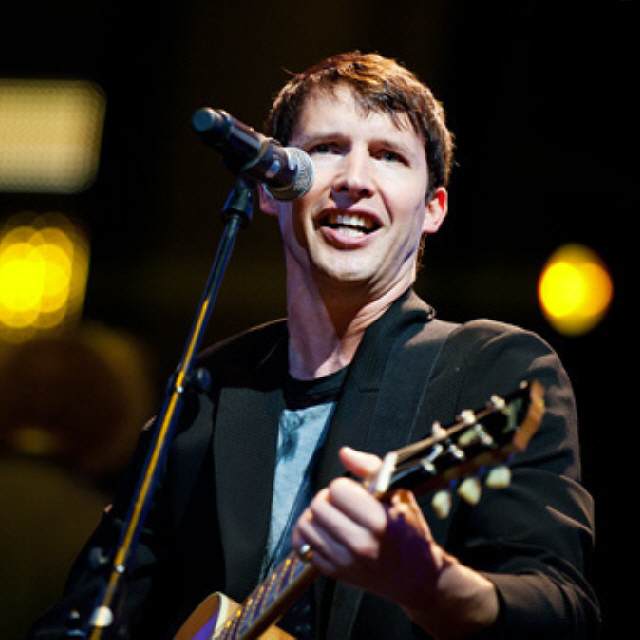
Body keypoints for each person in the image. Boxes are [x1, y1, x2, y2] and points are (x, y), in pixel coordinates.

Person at [30, 52, 599, 639]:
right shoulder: (212, 392)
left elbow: (561, 610)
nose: (354, 180)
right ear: (270, 190)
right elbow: (88, 612)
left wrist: (427, 583)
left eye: (389, 156)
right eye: (327, 149)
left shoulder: (491, 369)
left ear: (433, 209)